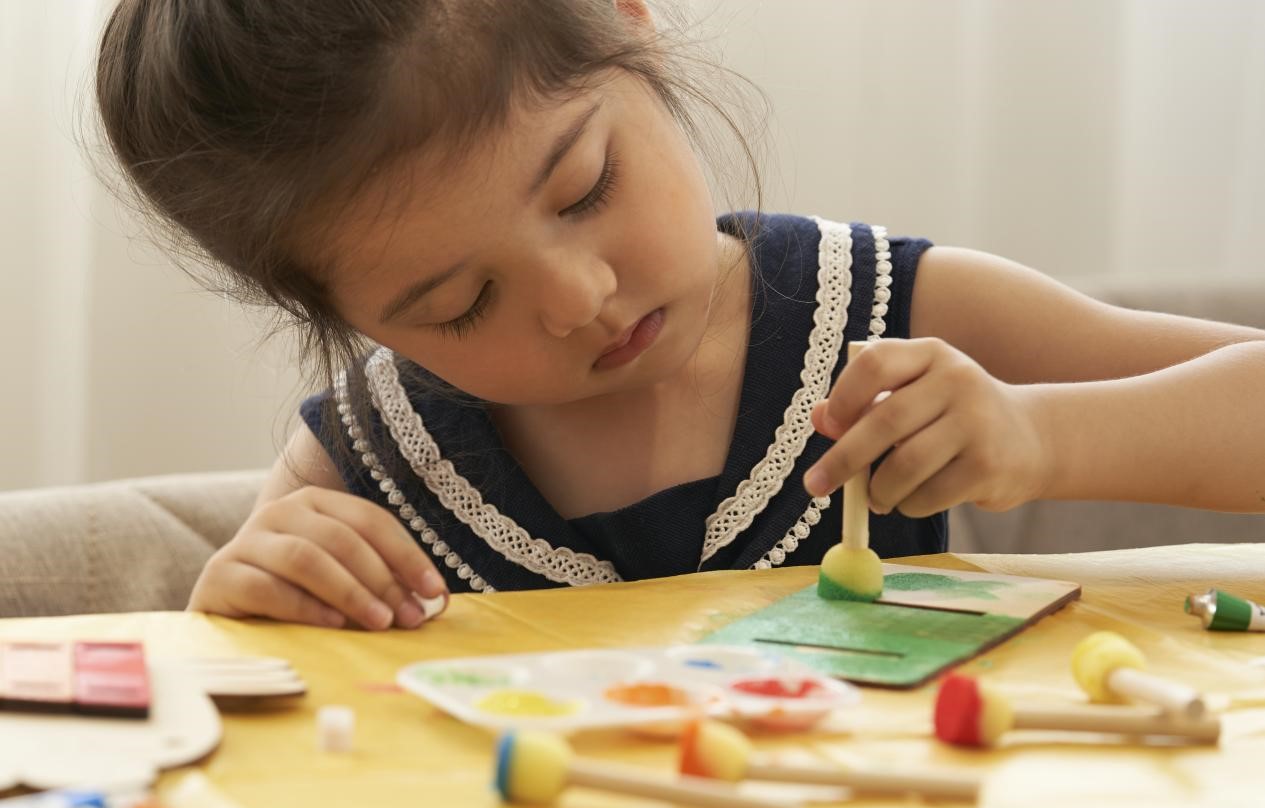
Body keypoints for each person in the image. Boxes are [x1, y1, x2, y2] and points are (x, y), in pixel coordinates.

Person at [94, 0, 1265, 632]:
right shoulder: (371, 461)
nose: (578, 300)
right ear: (348, 316)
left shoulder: (884, 312)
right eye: (459, 304)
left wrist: (1044, 434)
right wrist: (240, 610)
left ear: (631, 22)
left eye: (584, 188)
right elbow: (251, 716)